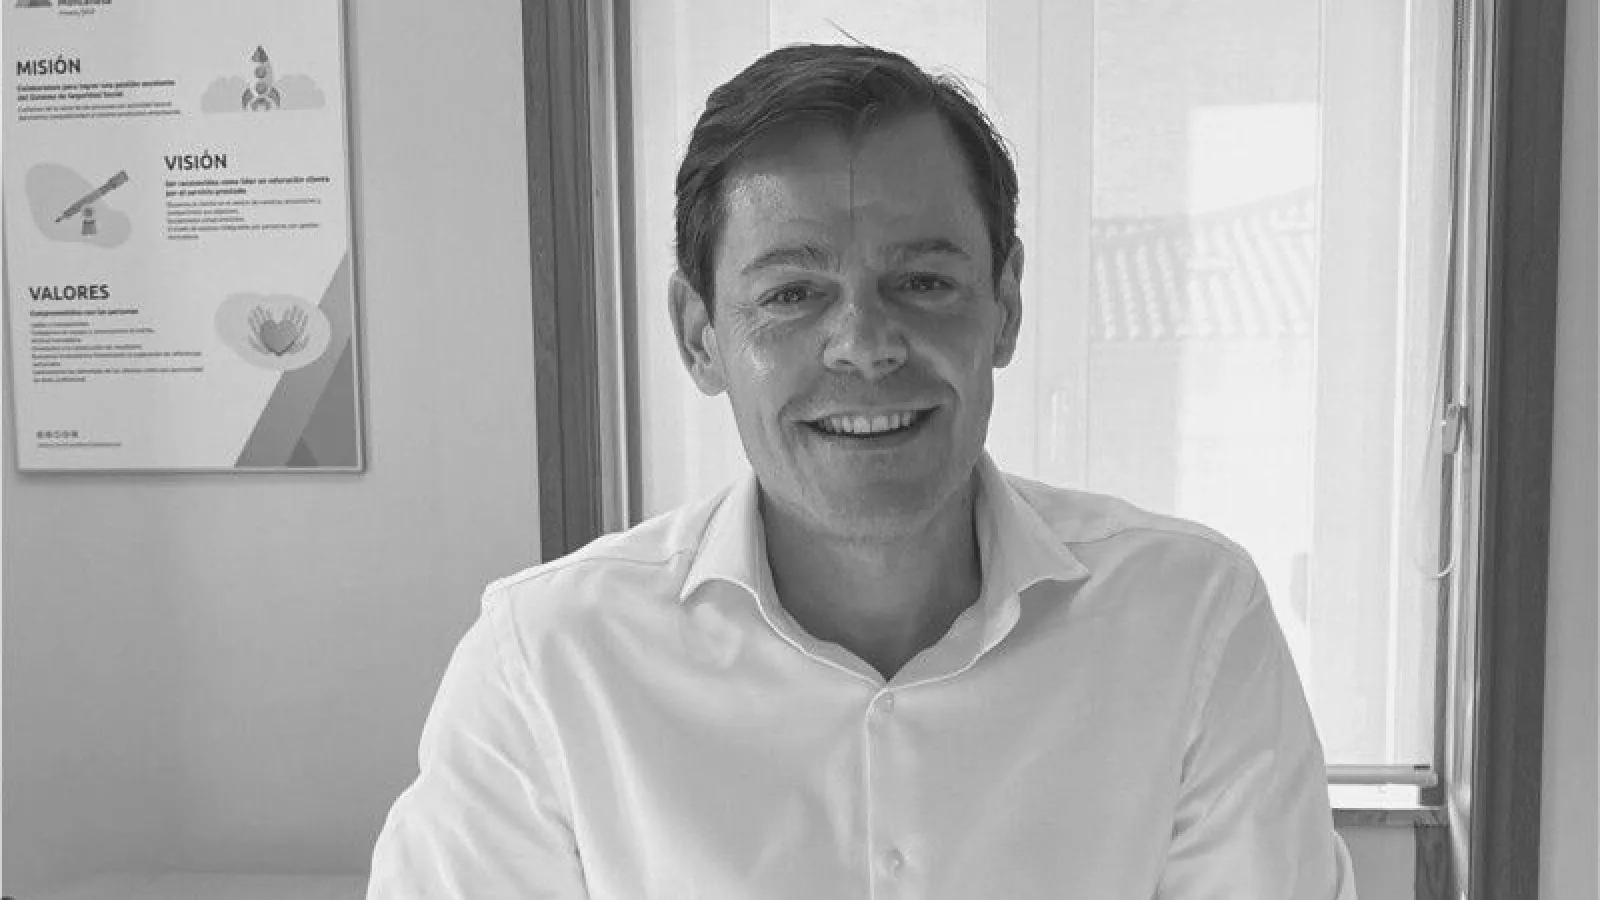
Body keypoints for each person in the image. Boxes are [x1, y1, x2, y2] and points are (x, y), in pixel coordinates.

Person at [367, 43, 1357, 899]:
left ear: (1005, 305)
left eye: (924, 281)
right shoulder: (547, 666)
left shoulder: (1190, 621)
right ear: (700, 334)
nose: (866, 344)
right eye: (792, 293)